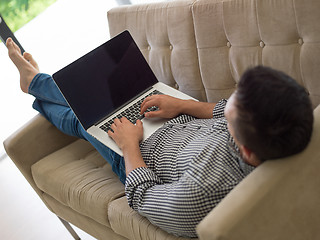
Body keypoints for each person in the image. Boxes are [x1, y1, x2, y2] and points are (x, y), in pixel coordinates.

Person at [6, 37, 314, 238]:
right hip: (172, 122)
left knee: (84, 120)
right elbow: (223, 110)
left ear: (245, 151)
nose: (225, 108)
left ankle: (34, 82)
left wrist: (128, 146)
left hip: (138, 153)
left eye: (231, 116)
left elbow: (142, 196)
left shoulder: (202, 195)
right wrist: (183, 104)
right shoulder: (281, 123)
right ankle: (35, 83)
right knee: (108, 101)